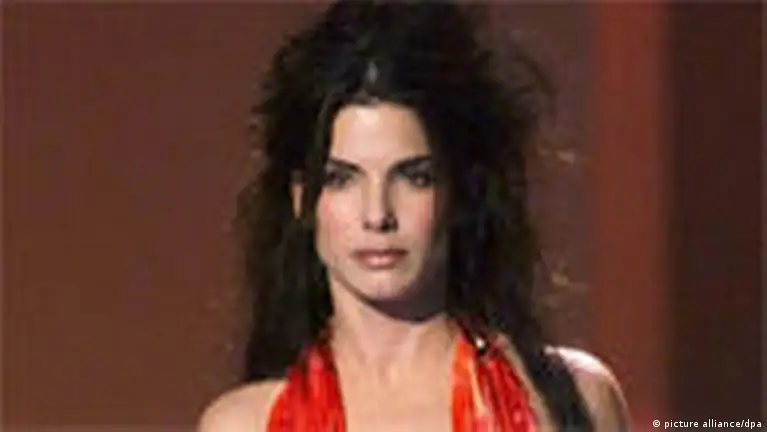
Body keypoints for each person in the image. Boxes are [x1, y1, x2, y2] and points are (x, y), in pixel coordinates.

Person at [199, 1, 629, 430]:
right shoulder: (244, 424)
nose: (377, 215)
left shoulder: (570, 400)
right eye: (341, 179)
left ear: (458, 190)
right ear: (301, 199)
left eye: (413, 177)